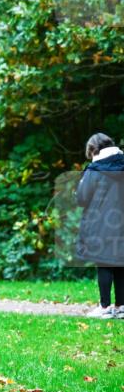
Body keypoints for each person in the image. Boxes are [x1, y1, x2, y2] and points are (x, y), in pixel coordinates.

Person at [75, 132, 124, 319]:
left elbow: (82, 198)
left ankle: (104, 307)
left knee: (104, 263)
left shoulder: (94, 170)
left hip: (102, 224)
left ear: (93, 150)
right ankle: (121, 307)